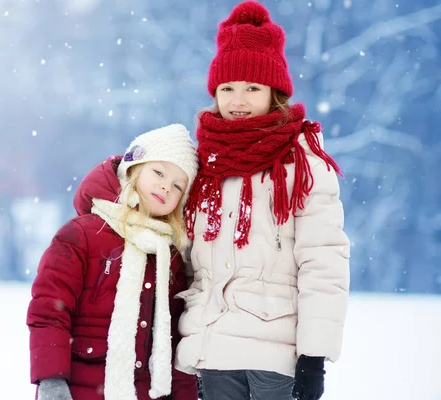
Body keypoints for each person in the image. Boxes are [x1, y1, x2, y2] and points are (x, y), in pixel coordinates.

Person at [174, 2, 351, 400]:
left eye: (252, 88)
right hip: (212, 350)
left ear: (275, 93)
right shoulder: (202, 162)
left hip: (277, 357)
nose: (238, 100)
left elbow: (324, 262)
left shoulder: (301, 160)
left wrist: (314, 354)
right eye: (227, 88)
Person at [27, 124, 199, 400]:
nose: (166, 186)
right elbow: (49, 312)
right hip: (82, 390)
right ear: (133, 169)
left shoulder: (170, 255)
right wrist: (51, 380)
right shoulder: (81, 234)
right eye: (158, 172)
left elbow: (172, 339)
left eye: (178, 185)